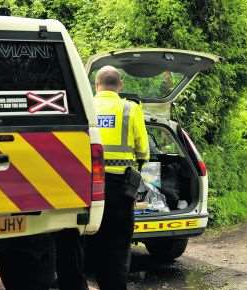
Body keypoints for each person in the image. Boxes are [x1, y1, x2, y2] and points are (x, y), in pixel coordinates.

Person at [89, 65, 149, 290]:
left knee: (91, 238)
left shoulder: (87, 105)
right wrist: (140, 160)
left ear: (96, 85)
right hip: (119, 187)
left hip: (88, 185)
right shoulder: (130, 108)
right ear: (120, 85)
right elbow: (143, 149)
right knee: (118, 243)